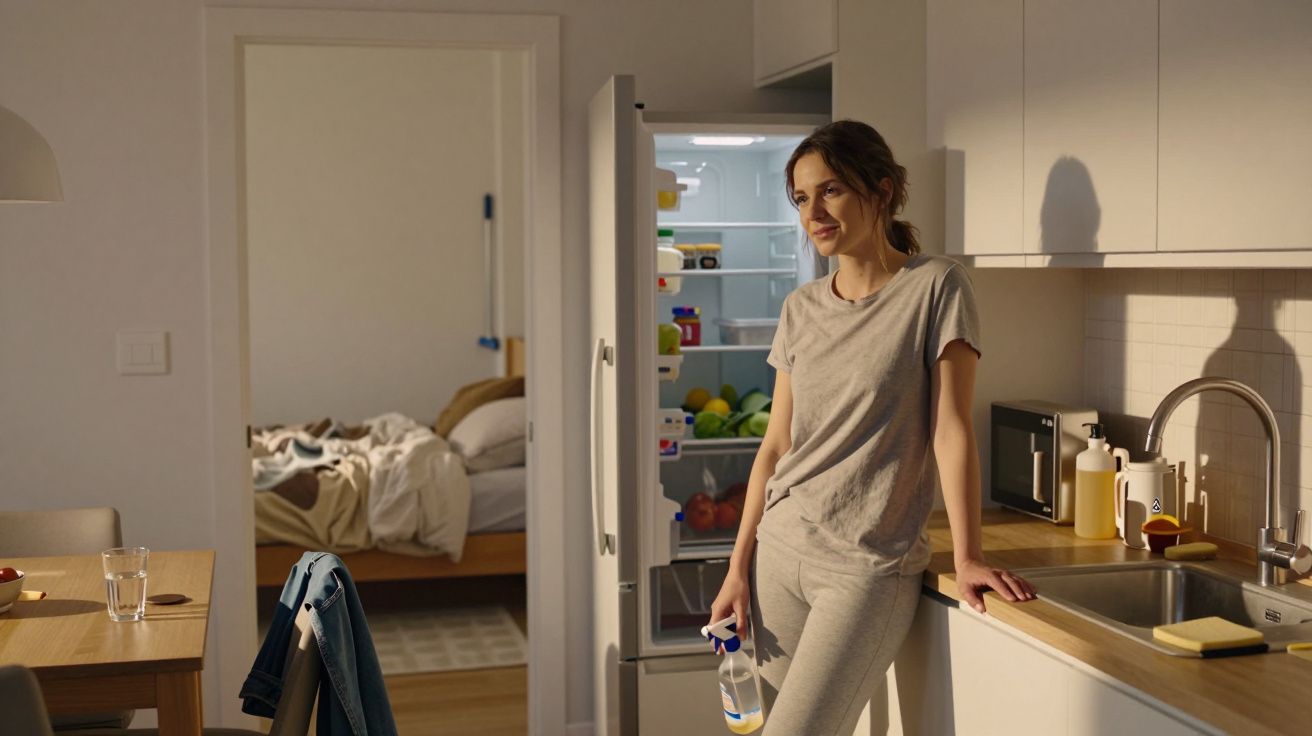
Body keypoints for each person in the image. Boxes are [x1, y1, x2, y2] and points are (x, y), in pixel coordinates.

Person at [707, 119, 1036, 734]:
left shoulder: (936, 286)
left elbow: (950, 429)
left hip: (863, 568)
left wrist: (969, 555)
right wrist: (736, 567)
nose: (813, 213)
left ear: (882, 191)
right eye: (801, 198)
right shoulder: (800, 308)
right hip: (778, 552)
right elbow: (776, 446)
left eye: (830, 190)